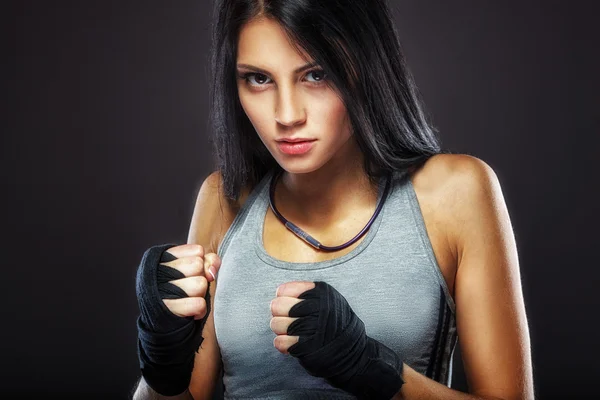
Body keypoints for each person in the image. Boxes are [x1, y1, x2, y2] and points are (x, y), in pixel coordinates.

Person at [133, 0, 534, 399]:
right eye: (258, 79)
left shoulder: (455, 192)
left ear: (367, 64)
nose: (287, 115)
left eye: (316, 74)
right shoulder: (224, 199)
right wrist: (162, 365)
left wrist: (374, 370)